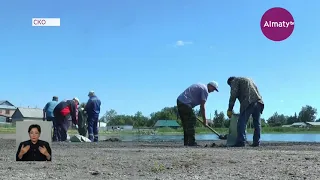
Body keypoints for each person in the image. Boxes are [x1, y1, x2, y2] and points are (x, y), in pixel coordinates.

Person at [177, 81, 219, 146]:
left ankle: (186, 143)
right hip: (185, 103)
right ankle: (191, 143)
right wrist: (205, 120)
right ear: (210, 86)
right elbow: (202, 107)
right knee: (192, 121)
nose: (213, 91)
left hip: (180, 101)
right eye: (213, 89)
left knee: (186, 124)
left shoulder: (201, 85)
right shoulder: (205, 90)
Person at [226, 76, 264, 147]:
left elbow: (233, 95)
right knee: (257, 124)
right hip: (259, 102)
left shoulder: (235, 81)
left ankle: (241, 141)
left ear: (230, 82)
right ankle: (256, 142)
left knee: (241, 122)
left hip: (248, 102)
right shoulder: (249, 80)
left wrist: (230, 109)